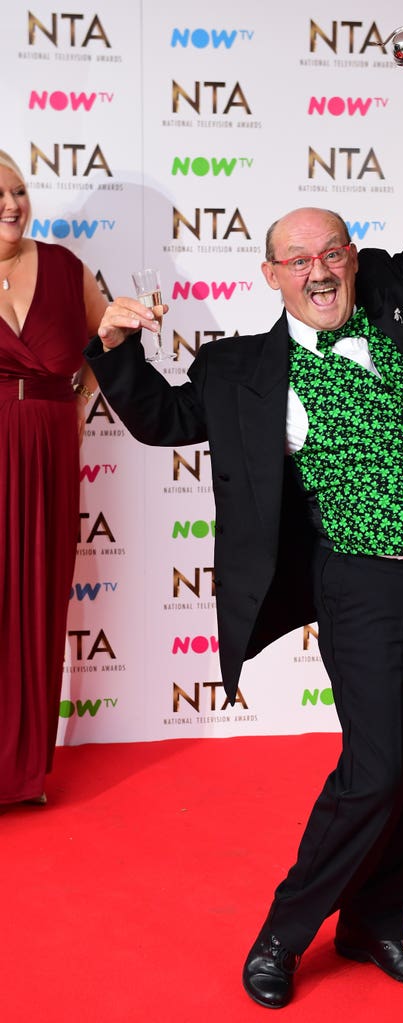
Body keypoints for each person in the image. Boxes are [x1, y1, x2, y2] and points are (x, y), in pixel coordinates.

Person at [86, 36, 403, 1008]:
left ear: (351, 260)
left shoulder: (400, 297)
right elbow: (162, 421)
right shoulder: (245, 369)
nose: (320, 270)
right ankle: (285, 931)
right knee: (376, 771)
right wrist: (113, 347)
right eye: (298, 259)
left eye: (332, 252)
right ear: (271, 275)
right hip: (366, 588)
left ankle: (376, 920)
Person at [0, 151, 107, 808]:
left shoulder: (66, 269)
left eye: (17, 191)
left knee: (37, 600)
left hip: (45, 454)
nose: (12, 204)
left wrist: (75, 403)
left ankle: (20, 772)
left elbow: (107, 340)